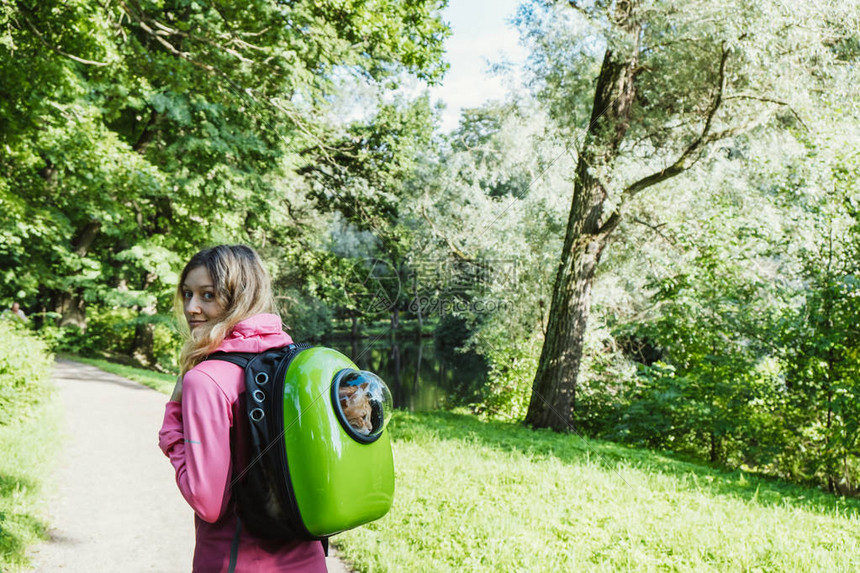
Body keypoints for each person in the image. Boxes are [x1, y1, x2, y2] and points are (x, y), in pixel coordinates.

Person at [158, 245, 327, 572]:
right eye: (187, 294)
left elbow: (208, 503)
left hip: (236, 561)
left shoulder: (206, 379)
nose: (192, 307)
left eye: (207, 295)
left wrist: (172, 432)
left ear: (240, 296)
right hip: (308, 559)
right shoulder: (295, 363)